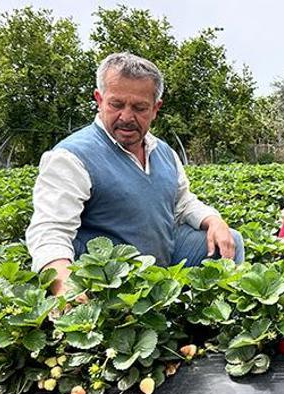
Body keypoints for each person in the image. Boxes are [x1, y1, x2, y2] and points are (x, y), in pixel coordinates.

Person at [26, 52, 243, 296]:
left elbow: (183, 204)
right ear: (99, 100)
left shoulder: (164, 152)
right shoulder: (71, 156)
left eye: (140, 108)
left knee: (230, 240)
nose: (127, 117)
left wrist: (214, 220)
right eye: (116, 105)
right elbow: (50, 232)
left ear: (155, 109)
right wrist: (66, 287)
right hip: (111, 284)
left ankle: (199, 324)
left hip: (160, 263)